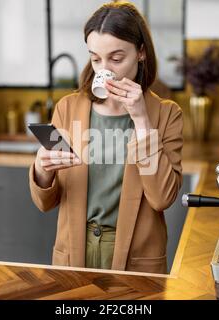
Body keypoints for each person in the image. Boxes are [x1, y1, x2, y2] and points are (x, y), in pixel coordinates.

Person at [29, 1, 183, 274]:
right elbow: (45, 202)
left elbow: (161, 198)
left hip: (136, 257)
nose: (104, 69)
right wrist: (42, 169)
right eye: (95, 58)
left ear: (141, 53)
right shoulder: (67, 108)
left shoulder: (166, 114)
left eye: (116, 58)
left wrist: (141, 120)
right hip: (75, 250)